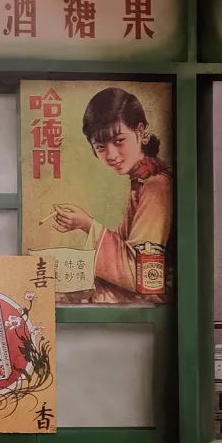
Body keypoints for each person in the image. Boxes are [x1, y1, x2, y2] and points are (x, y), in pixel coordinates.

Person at [51, 87, 172, 304]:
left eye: (119, 141)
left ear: (141, 131)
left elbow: (141, 275)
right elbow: (125, 246)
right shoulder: (141, 181)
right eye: (100, 147)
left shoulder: (156, 186)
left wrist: (88, 224)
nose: (112, 155)